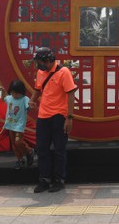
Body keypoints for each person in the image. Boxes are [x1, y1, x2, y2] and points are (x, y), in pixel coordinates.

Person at [29, 47, 76, 193]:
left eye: (40, 62)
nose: (38, 65)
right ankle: (44, 179)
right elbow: (38, 89)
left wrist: (69, 117)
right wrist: (32, 100)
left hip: (59, 116)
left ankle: (59, 179)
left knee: (59, 150)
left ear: (48, 60)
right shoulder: (41, 72)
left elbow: (71, 95)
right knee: (42, 149)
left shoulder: (64, 72)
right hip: (43, 115)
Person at [3, 79, 34, 170]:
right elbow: (3, 98)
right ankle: (20, 159)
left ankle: (29, 151)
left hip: (19, 126)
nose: (15, 95)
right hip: (10, 125)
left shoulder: (25, 99)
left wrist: (31, 106)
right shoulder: (9, 98)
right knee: (15, 144)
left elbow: (29, 107)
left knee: (18, 141)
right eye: (13, 93)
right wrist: (3, 91)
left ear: (22, 92)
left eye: (17, 93)